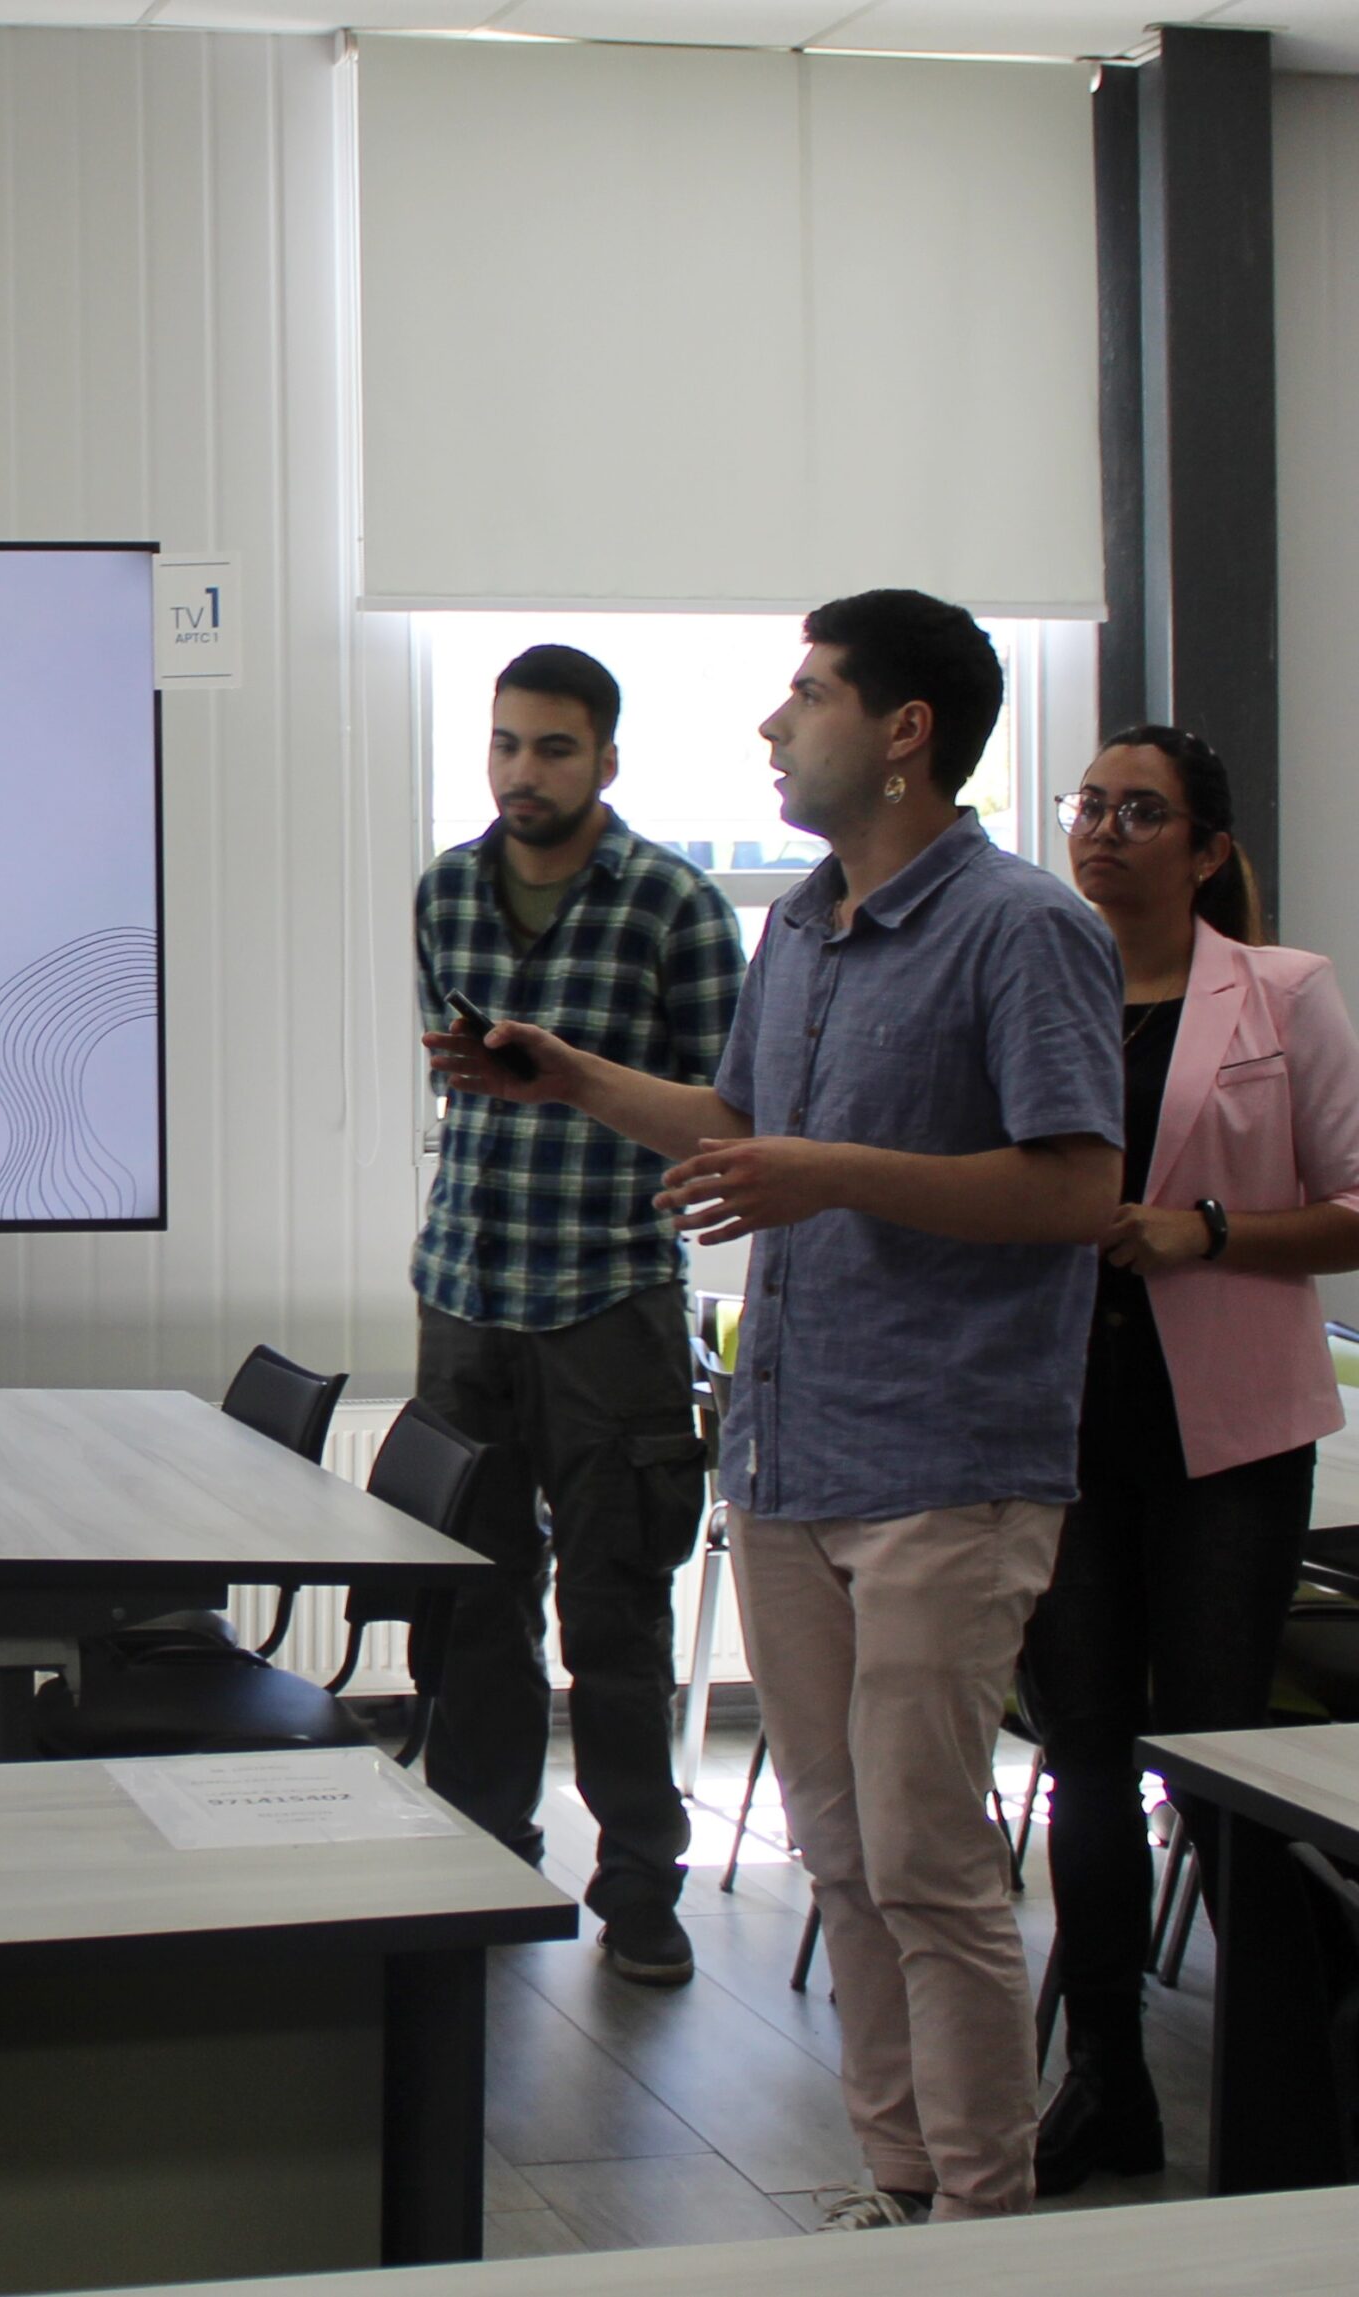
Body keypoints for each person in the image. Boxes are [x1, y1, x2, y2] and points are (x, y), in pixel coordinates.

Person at [427, 591, 1123, 2224]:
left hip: (947, 1457)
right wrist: (571, 1076)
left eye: (806, 694)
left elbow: (1080, 1190)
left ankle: (984, 2220)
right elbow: (736, 1121)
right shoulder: (806, 923)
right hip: (795, 1452)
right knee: (844, 1855)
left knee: (932, 1863)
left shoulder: (1022, 927)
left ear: (904, 733)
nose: (771, 723)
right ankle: (901, 2182)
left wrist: (827, 1175)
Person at [1021, 728, 1359, 2195]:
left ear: (1208, 849)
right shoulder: (1037, 985)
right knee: (1086, 1761)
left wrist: (1205, 1233)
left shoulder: (1283, 992)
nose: (1102, 830)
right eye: (1089, 804)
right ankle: (1109, 2081)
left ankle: (1296, 2085)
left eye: (1140, 812)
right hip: (1060, 1419)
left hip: (1226, 1434)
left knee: (1218, 1758)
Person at [411, 642, 743, 1988]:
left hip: (609, 1295)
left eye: (552, 748)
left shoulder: (674, 905)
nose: (523, 772)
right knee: (470, 1606)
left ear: (606, 759)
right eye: (505, 743)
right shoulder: (446, 889)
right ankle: (482, 1861)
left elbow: (731, 1115)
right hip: (467, 1289)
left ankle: (641, 1889)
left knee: (614, 1614)